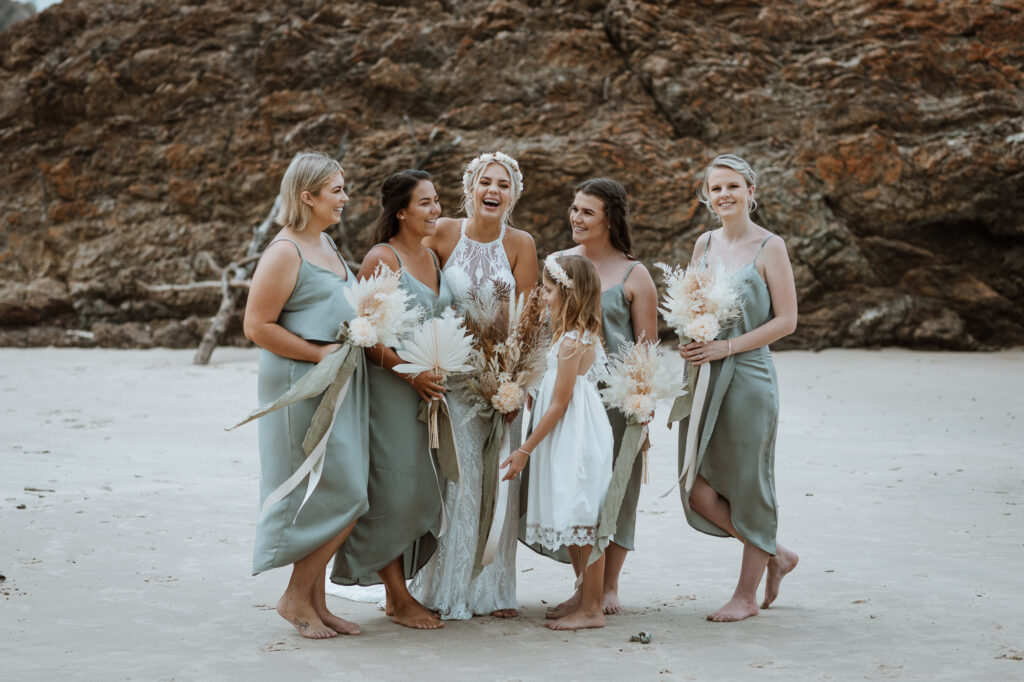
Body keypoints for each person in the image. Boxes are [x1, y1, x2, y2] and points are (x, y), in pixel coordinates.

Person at [409, 151, 538, 619]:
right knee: (458, 483)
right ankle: (447, 590)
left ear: (513, 195)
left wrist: (516, 383)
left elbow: (528, 320)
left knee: (498, 483)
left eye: (504, 185)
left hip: (502, 380)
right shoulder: (443, 232)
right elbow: (420, 288)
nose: (494, 191)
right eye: (486, 181)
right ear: (471, 188)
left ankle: (492, 591)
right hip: (454, 382)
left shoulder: (521, 243)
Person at [243, 151, 366, 639]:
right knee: (341, 490)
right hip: (299, 382)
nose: (344, 198)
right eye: (336, 190)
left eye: (344, 188)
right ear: (306, 196)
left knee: (339, 487)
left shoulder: (327, 243)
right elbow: (256, 325)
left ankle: (315, 603)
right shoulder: (284, 251)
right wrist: (318, 356)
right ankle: (296, 596)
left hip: (334, 379)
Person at [678, 153, 800, 622]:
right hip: (706, 374)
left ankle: (746, 596)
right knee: (698, 489)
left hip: (749, 377)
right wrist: (690, 343)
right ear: (706, 197)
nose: (724, 194)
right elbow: (692, 306)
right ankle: (777, 554)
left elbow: (786, 321)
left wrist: (726, 348)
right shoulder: (703, 243)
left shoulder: (770, 246)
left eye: (733, 186)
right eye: (716, 188)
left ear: (751, 191)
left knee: (750, 484)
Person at [330, 170, 453, 630]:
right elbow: (364, 335)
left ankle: (398, 595)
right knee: (397, 491)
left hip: (429, 392)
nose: (435, 210)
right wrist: (410, 373)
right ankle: (398, 597)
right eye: (425, 202)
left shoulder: (431, 255)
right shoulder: (384, 258)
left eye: (437, 200)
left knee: (424, 490)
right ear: (400, 211)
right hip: (393, 391)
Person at [541, 178, 659, 618]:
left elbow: (645, 349)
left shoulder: (634, 274)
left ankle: (607, 587)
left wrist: (642, 407)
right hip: (566, 397)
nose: (575, 217)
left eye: (586, 211)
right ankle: (581, 585)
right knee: (575, 491)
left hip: (615, 404)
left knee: (616, 492)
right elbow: (543, 328)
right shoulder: (558, 262)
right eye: (573, 209)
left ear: (609, 218)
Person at [502, 255, 613, 631]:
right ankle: (583, 594)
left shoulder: (571, 342)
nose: (543, 297)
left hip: (575, 433)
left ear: (568, 293)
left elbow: (562, 402)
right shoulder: (570, 336)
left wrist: (524, 449)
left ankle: (593, 607)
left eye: (549, 291)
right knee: (571, 512)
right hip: (568, 429)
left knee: (582, 513)